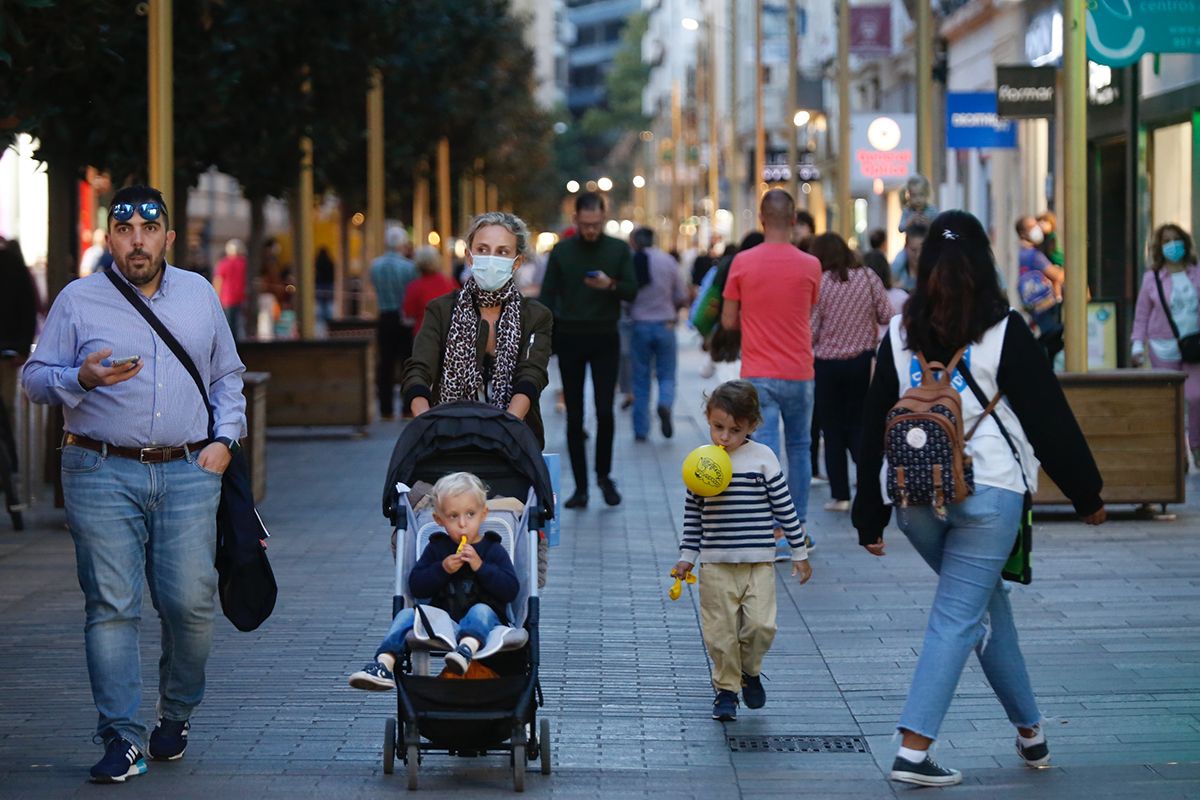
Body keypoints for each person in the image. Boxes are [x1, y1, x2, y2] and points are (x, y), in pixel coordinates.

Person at [852, 210, 1106, 787]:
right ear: (984, 263)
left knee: (983, 607)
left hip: (916, 498)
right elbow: (1049, 420)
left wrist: (870, 513)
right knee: (957, 616)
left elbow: (872, 427)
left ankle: (1030, 731)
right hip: (990, 494)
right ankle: (913, 750)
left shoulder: (898, 331)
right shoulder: (1005, 328)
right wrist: (1087, 494)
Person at [22, 185, 247, 783]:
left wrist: (225, 441)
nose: (138, 240)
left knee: (190, 604)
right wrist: (80, 377)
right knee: (111, 606)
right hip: (99, 469)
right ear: (110, 237)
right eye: (125, 230)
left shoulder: (199, 295)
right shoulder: (78, 299)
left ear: (169, 238)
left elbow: (227, 375)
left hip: (188, 470)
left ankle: (176, 712)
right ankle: (120, 738)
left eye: (149, 230)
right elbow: (35, 378)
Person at [674, 381, 812, 721]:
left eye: (734, 430)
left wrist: (798, 551)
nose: (724, 437)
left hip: (759, 563)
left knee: (761, 627)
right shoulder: (702, 463)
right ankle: (725, 690)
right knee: (720, 634)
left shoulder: (763, 459)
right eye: (718, 427)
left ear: (752, 426)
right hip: (716, 565)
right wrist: (686, 558)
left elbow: (785, 506)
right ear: (708, 420)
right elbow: (694, 516)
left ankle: (750, 671)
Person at [349, 472, 520, 688]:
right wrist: (442, 569)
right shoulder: (437, 548)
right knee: (406, 615)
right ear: (439, 520)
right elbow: (417, 586)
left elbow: (510, 590)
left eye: (470, 514)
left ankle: (465, 650)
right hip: (444, 621)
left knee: (481, 609)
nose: (462, 524)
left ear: (483, 514)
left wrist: (481, 567)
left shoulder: (493, 549)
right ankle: (384, 663)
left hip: (485, 625)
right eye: (453, 516)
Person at [721, 189, 820, 554]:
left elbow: (729, 320)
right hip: (799, 370)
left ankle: (769, 531)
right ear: (794, 220)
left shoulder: (743, 263)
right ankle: (797, 531)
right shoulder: (811, 265)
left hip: (758, 370)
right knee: (800, 448)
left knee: (765, 453)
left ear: (761, 220)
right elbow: (809, 310)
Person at [403, 211, 553, 447]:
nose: (491, 258)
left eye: (502, 251)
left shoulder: (536, 315)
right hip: (447, 440)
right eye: (483, 249)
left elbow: (531, 375)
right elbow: (419, 370)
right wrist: (426, 423)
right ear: (470, 257)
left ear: (517, 262)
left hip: (514, 441)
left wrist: (506, 428)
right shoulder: (441, 310)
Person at [540, 192, 637, 508]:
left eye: (596, 224)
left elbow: (632, 290)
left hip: (605, 337)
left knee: (606, 412)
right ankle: (580, 488)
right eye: (586, 225)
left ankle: (604, 477)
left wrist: (610, 284)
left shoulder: (618, 249)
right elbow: (547, 296)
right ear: (576, 220)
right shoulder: (562, 251)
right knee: (574, 415)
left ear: (603, 219)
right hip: (570, 338)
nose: (591, 231)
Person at [808, 232, 893, 512]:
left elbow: (812, 329)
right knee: (860, 425)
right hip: (862, 363)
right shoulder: (868, 277)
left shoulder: (820, 284)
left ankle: (841, 494)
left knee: (832, 431)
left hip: (827, 366)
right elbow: (887, 314)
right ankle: (873, 483)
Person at [1131, 224, 1200, 466]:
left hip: (1194, 344)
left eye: (1176, 239)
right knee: (1172, 400)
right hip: (1163, 345)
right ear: (1160, 248)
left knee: (1195, 397)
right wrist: (1137, 346)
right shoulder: (1153, 278)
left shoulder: (1196, 272)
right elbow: (1142, 314)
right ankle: (1177, 453)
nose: (1173, 245)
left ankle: (1195, 446)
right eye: (1167, 241)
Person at [628, 227, 689, 441]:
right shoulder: (667, 261)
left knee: (641, 378)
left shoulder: (631, 262)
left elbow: (625, 297)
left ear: (634, 241)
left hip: (639, 325)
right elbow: (681, 294)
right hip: (666, 324)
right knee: (666, 373)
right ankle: (664, 402)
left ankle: (641, 429)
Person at [371, 226, 417, 420]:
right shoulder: (409, 267)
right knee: (407, 363)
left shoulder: (375, 266)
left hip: (384, 316)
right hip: (404, 318)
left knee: (385, 364)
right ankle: (407, 408)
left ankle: (386, 409)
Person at [1016, 215, 1064, 362]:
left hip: (1035, 310)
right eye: (1032, 227)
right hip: (1047, 309)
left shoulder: (1022, 254)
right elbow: (1058, 276)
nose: (1037, 229)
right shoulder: (1034, 256)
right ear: (1023, 233)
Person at [402, 244, 457, 334]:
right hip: (447, 333)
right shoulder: (449, 282)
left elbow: (407, 317)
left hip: (423, 334)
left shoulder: (414, 287)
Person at [212, 239, 247, 339]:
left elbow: (218, 281)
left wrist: (215, 297)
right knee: (236, 324)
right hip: (239, 298)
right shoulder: (243, 263)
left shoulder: (223, 263)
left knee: (227, 325)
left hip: (226, 298)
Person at [891, 218, 928, 293]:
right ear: (906, 248)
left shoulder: (934, 275)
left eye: (922, 250)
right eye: (913, 250)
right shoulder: (897, 270)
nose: (918, 255)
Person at [314, 246, 336, 327]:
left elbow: (315, 275)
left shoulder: (317, 262)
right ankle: (329, 319)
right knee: (329, 304)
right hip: (329, 285)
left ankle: (320, 319)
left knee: (320, 303)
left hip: (319, 285)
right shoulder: (330, 262)